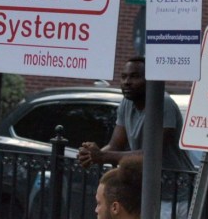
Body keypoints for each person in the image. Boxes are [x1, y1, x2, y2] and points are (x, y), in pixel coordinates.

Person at [78, 57, 194, 219]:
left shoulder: (163, 103)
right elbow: (115, 145)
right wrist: (91, 155)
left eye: (134, 76)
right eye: (124, 77)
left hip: (176, 193)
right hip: (148, 191)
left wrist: (103, 156)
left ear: (150, 80)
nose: (127, 82)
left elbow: (151, 155)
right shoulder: (126, 104)